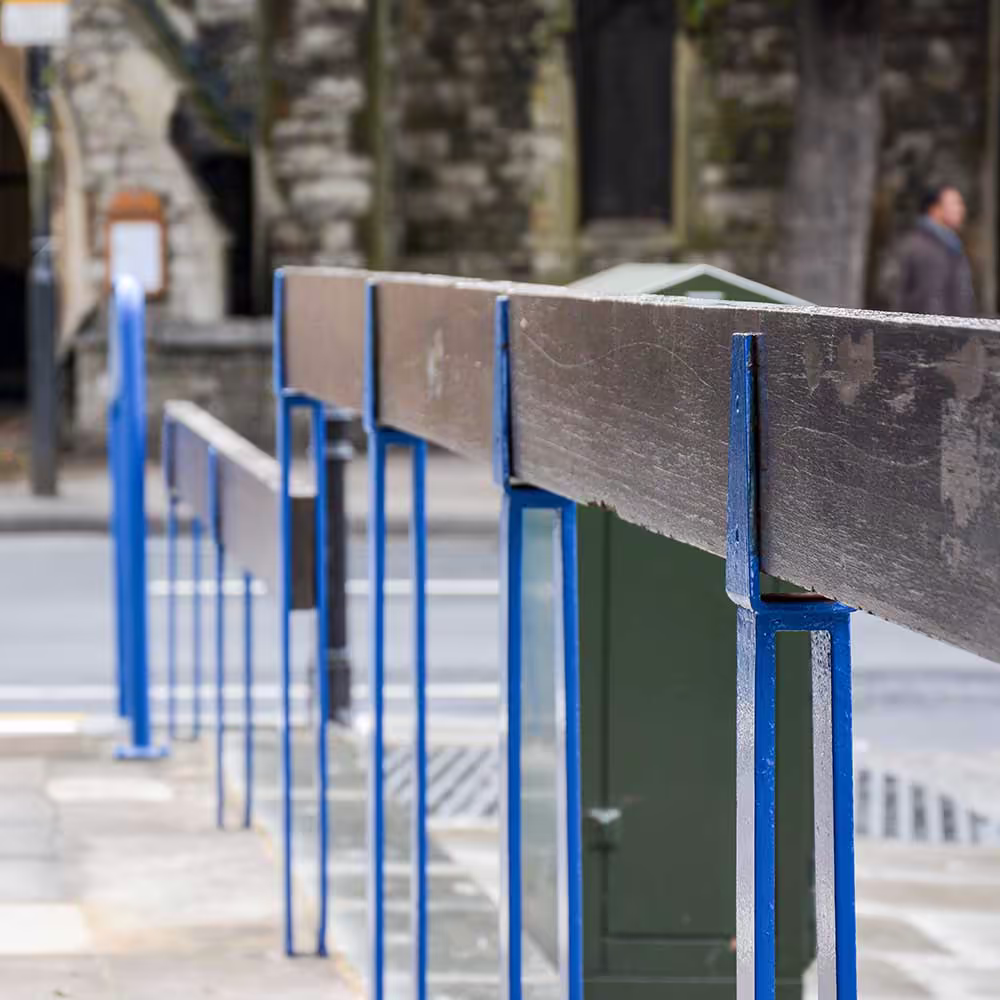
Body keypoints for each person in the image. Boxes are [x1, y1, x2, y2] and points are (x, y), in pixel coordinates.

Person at [891, 184, 977, 316]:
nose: (961, 209)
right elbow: (930, 304)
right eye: (955, 203)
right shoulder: (924, 248)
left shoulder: (949, 245)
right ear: (935, 209)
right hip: (938, 334)